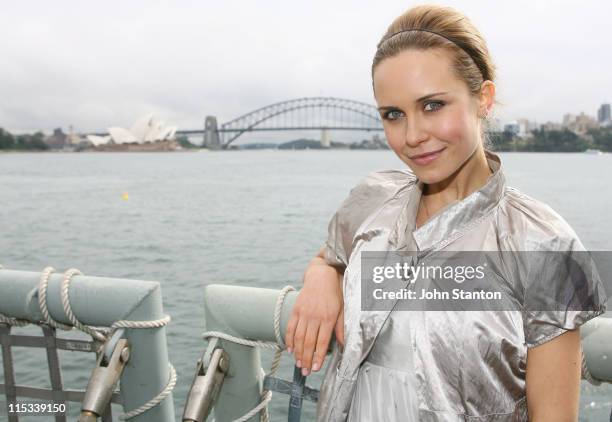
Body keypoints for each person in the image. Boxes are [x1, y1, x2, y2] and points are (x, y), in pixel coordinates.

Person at [284, 4, 607, 421]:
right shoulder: (372, 199)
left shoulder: (543, 245)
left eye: (433, 105)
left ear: (483, 98)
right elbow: (333, 253)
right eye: (393, 115)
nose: (413, 136)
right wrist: (321, 277)